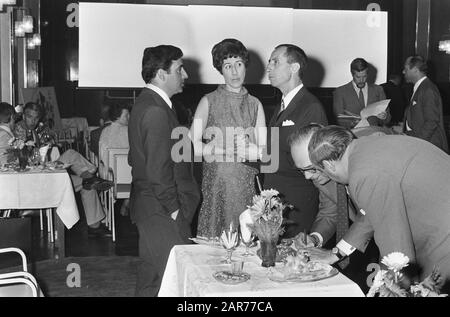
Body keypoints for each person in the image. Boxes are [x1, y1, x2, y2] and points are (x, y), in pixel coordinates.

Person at [307, 125, 450, 288]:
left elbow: (395, 247)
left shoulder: (363, 174)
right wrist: (336, 253)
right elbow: (372, 213)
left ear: (329, 165)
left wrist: (389, 288)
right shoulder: (365, 148)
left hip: (444, 239)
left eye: (321, 170)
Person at [128, 45, 200, 296]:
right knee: (178, 282)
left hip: (151, 207)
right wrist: (175, 210)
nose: (186, 75)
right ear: (161, 73)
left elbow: (136, 158)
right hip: (161, 211)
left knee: (152, 281)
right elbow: (158, 171)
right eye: (179, 69)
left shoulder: (149, 104)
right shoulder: (156, 110)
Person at [190, 38, 266, 238]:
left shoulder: (255, 104)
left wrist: (254, 150)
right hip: (217, 183)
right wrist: (225, 151)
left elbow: (264, 149)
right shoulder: (208, 101)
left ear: (245, 66)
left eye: (239, 64)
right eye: (228, 66)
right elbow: (195, 146)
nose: (234, 72)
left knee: (245, 239)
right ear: (220, 70)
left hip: (246, 182)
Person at [14, 102, 111, 235]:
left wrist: (48, 144)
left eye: (36, 118)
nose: (33, 121)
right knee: (87, 184)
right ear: (23, 116)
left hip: (43, 169)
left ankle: (90, 177)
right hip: (36, 178)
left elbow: (41, 152)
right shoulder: (18, 131)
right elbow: (26, 159)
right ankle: (94, 224)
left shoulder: (36, 131)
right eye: (30, 116)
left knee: (72, 155)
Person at [264, 44, 328, 238]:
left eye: (275, 62)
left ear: (294, 68)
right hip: (276, 199)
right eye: (269, 62)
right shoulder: (283, 105)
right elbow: (276, 149)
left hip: (297, 205)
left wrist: (259, 154)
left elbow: (314, 165)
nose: (269, 68)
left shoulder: (311, 106)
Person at [402, 55, 448, 153]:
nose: (403, 72)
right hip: (422, 143)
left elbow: (431, 121)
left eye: (405, 69)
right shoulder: (422, 87)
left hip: (429, 145)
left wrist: (418, 142)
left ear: (415, 69)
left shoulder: (428, 89)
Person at [333, 58, 388, 128]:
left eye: (364, 76)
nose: (361, 80)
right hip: (351, 135)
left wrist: (384, 117)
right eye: (358, 77)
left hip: (373, 134)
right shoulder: (340, 92)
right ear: (352, 74)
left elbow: (387, 118)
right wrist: (356, 122)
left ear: (367, 74)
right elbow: (339, 118)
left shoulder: (378, 90)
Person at [98, 101, 131, 216]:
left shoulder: (105, 132)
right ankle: (128, 200)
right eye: (126, 115)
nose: (129, 118)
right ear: (117, 117)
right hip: (129, 178)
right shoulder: (129, 132)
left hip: (109, 176)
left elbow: (102, 155)